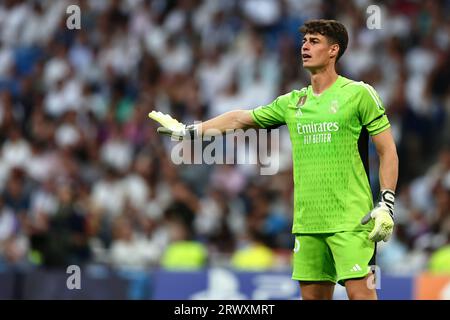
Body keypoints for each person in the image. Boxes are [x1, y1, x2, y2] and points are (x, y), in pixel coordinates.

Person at [148, 19, 399, 300]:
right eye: (304, 41)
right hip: (308, 223)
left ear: (333, 50)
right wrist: (190, 130)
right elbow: (241, 118)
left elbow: (387, 150)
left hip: (352, 220)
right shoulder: (293, 102)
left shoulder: (358, 94)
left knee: (361, 296)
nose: (305, 46)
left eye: (314, 41)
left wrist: (386, 203)